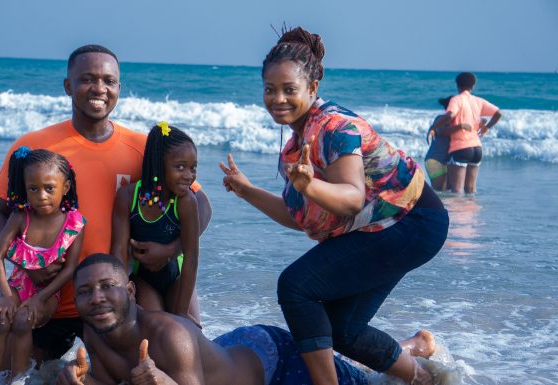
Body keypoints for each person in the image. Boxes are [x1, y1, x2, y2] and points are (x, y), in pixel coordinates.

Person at [219, 27, 449, 385]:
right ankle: (424, 377)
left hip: (412, 221)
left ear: (312, 89)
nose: (277, 98)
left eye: (289, 89)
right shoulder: (295, 147)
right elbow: (300, 218)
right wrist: (247, 190)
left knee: (296, 287)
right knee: (343, 328)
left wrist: (311, 184)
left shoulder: (334, 127)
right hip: (392, 226)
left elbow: (351, 197)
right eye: (269, 89)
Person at [0, 44, 211, 364]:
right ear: (68, 86)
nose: (99, 88)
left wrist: (171, 249)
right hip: (51, 297)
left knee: (151, 366)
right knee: (18, 370)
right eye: (88, 78)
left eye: (109, 81)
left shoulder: (145, 149)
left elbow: (199, 204)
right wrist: (29, 263)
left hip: (115, 297)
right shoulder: (35, 146)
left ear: (119, 88)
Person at [56, 254, 436, 385]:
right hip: (229, 351)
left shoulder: (169, 336)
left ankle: (413, 347)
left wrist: (162, 381)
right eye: (86, 292)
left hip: (274, 361)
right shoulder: (93, 327)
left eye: (108, 286)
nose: (97, 298)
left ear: (131, 292)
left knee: (363, 382)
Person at [0, 148, 85, 383]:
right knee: (0, 319)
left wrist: (41, 298)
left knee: (21, 321)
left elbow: (70, 269)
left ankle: (18, 380)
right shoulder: (20, 217)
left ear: (65, 187)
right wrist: (5, 295)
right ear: (25, 189)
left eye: (49, 188)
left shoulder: (73, 223)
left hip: (48, 293)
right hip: (17, 286)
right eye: (33, 189)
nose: (41, 196)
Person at [111, 122, 201, 326]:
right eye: (180, 167)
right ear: (159, 165)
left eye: (193, 167)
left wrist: (182, 311)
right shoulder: (129, 196)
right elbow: (118, 251)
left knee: (186, 327)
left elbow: (191, 258)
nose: (189, 175)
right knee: (156, 324)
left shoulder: (186, 202)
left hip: (175, 276)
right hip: (142, 278)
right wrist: (121, 291)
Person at [433, 72, 502, 193]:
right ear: (473, 86)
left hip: (461, 148)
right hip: (477, 149)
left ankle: (459, 213)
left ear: (458, 86)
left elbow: (450, 115)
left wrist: (433, 127)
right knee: (471, 189)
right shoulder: (479, 101)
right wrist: (487, 128)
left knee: (457, 190)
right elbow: (498, 113)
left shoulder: (456, 99)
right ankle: (472, 212)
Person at [424, 96, 474, 191]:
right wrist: (461, 126)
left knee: (447, 191)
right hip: (435, 160)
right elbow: (442, 132)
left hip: (447, 161)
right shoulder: (440, 119)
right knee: (439, 192)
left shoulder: (457, 122)